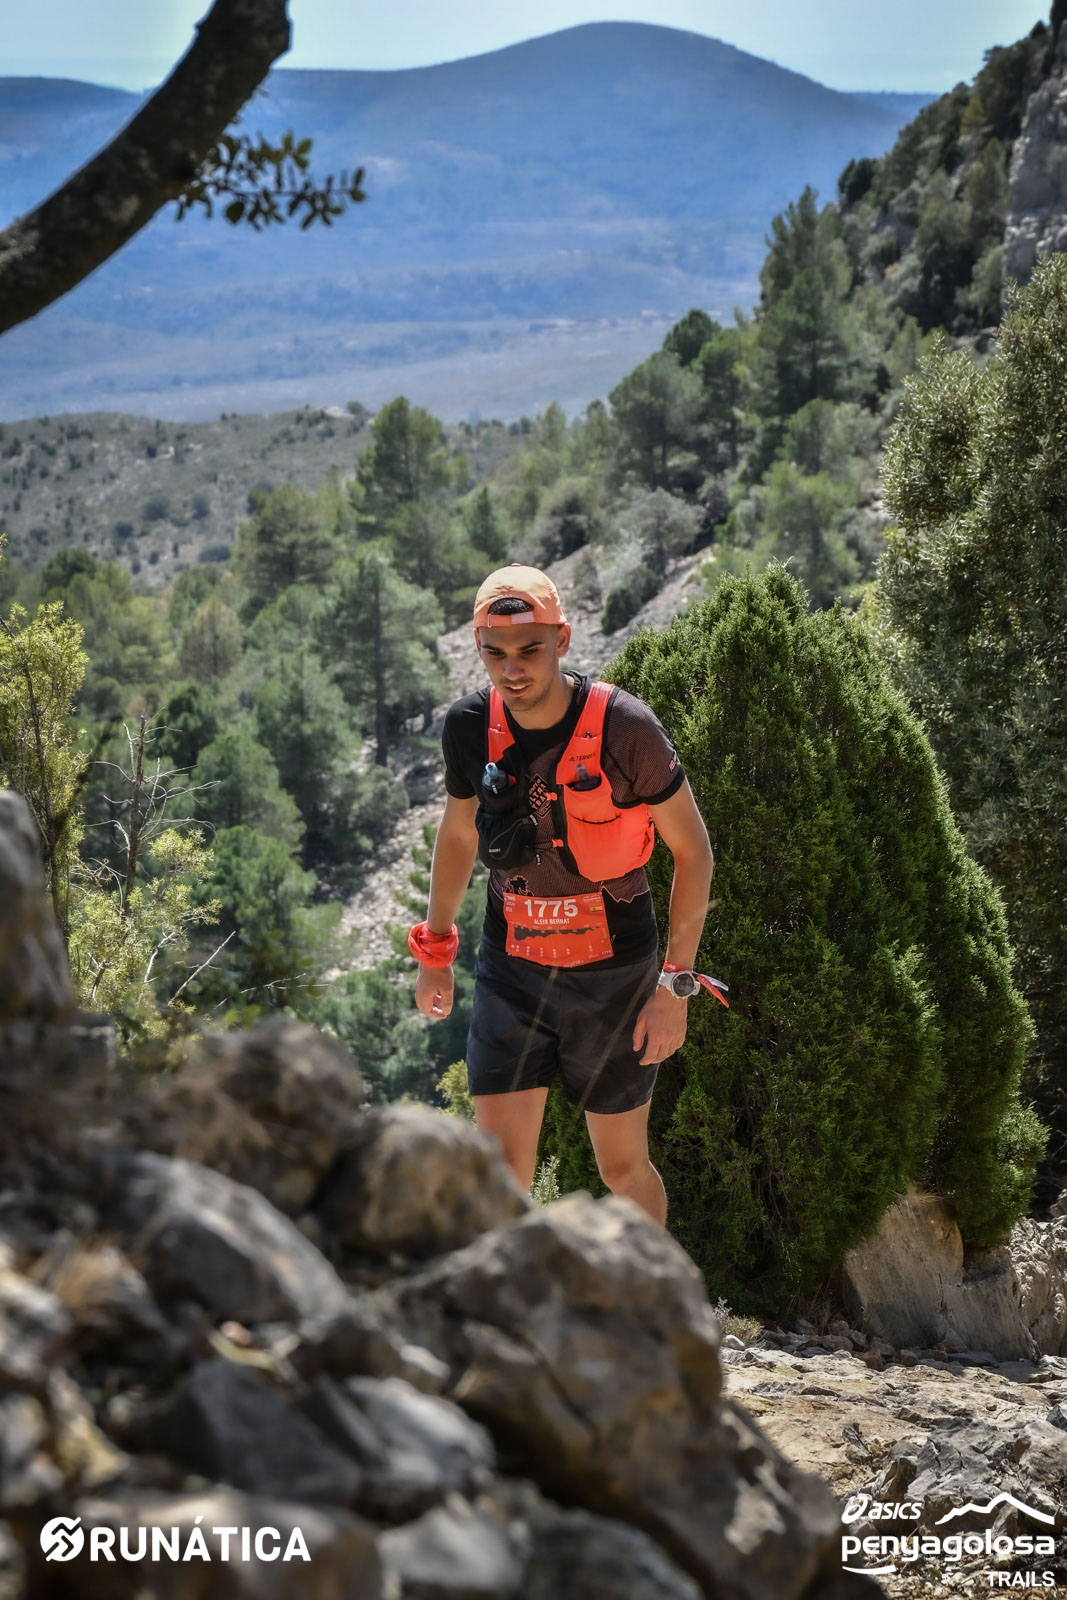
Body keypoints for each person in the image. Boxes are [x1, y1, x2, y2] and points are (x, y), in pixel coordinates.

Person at [409, 564, 723, 1225]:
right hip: (512, 972)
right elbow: (459, 834)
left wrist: (675, 985)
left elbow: (693, 852)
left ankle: (655, 1288)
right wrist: (435, 952)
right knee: (500, 1174)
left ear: (562, 640)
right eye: (494, 653)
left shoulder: (625, 728)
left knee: (622, 1169)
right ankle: (512, 1292)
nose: (512, 670)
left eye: (529, 649)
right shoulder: (469, 726)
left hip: (614, 977)